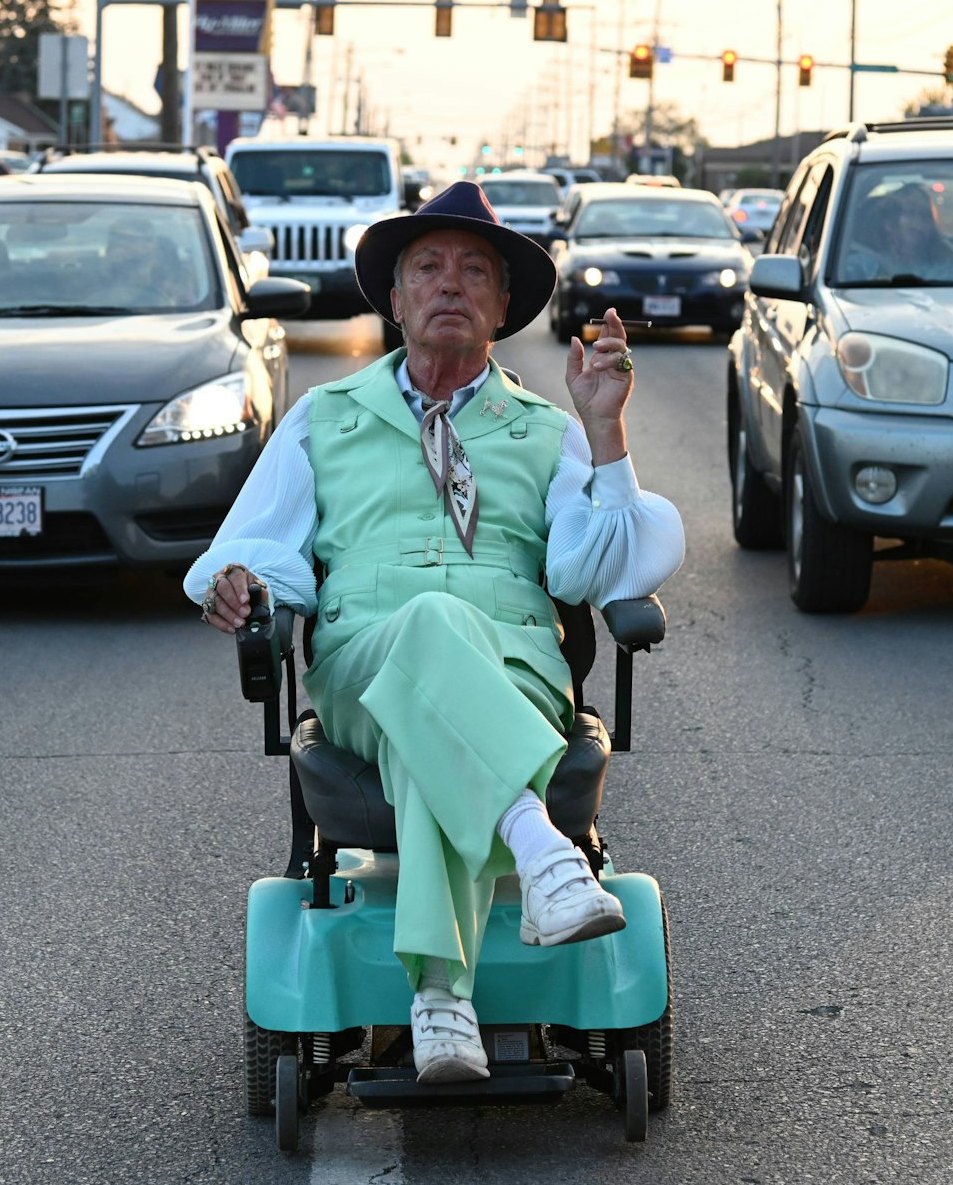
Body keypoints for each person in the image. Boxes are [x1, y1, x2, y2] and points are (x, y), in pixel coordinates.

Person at [186, 182, 684, 1083]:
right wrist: (241, 584)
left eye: (473, 272)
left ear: (501, 307)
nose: (449, 284)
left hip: (513, 671)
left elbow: (599, 572)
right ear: (395, 298)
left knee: (435, 692)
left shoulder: (549, 430)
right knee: (427, 623)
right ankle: (536, 844)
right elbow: (252, 549)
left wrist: (606, 430)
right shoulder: (324, 417)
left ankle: (441, 995)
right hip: (362, 671)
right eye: (427, 268)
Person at [841, 182, 953, 282]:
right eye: (910, 213)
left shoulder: (945, 267)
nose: (918, 223)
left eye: (924, 216)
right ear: (889, 223)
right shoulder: (863, 265)